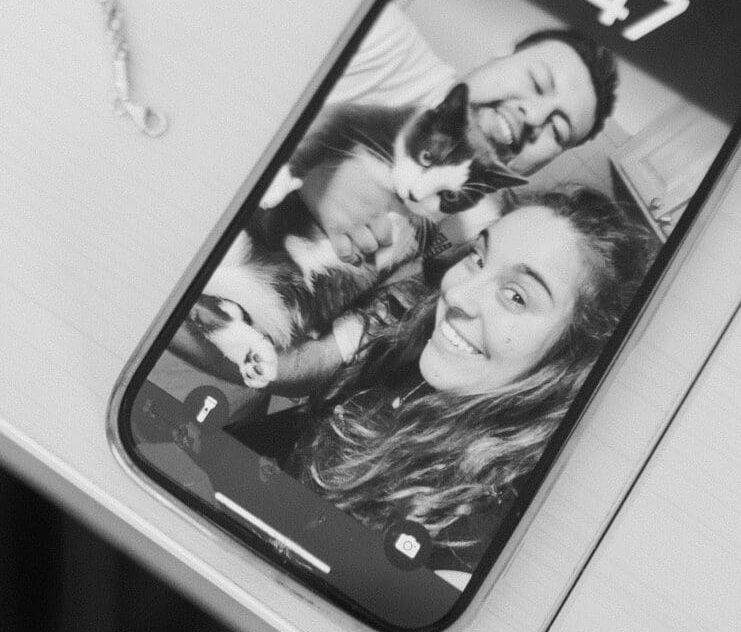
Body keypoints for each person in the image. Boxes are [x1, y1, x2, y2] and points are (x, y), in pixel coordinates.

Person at [235, 186, 654, 571]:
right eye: (479, 258)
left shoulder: (475, 537)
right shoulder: (408, 340)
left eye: (516, 296)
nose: (457, 293)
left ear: (569, 360)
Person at [295, 7, 619, 272]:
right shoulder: (381, 38)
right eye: (537, 81)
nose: (533, 117)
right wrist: (308, 169)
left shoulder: (474, 230)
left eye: (557, 131)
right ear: (496, 58)